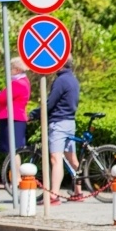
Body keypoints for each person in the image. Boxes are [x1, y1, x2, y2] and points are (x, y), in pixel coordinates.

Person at [30, 56, 81, 205]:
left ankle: (54, 196)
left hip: (58, 123)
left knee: (55, 159)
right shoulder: (73, 79)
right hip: (70, 122)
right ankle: (78, 191)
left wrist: (34, 114)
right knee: (72, 159)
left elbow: (50, 103)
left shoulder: (60, 81)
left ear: (60, 65)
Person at [0, 57, 31, 185]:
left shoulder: (18, 83)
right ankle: (15, 176)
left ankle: (16, 177)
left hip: (13, 118)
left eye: (11, 68)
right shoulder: (22, 81)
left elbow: (3, 98)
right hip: (14, 117)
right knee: (14, 150)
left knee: (13, 150)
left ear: (17, 69)